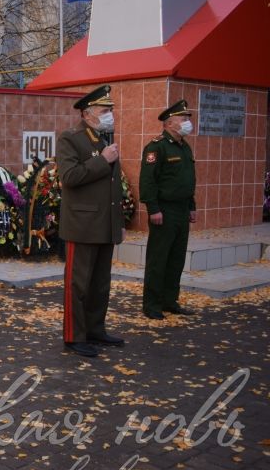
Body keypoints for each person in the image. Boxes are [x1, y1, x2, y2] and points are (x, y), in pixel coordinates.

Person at [55, 84, 125, 358]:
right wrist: (103, 161)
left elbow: (113, 187)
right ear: (87, 114)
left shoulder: (105, 138)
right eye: (104, 110)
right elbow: (69, 177)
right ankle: (74, 336)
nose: (110, 114)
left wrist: (118, 221)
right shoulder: (71, 138)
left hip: (104, 225)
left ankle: (95, 329)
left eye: (110, 110)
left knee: (100, 284)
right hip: (82, 225)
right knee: (79, 284)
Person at [139, 99, 197, 320]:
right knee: (159, 258)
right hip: (164, 210)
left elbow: (188, 180)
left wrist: (192, 206)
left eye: (187, 119)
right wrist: (153, 209)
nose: (187, 123)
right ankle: (151, 304)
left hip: (182, 210)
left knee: (176, 258)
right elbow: (148, 181)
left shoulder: (184, 146)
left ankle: (169, 301)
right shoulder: (156, 147)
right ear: (169, 123)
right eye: (184, 119)